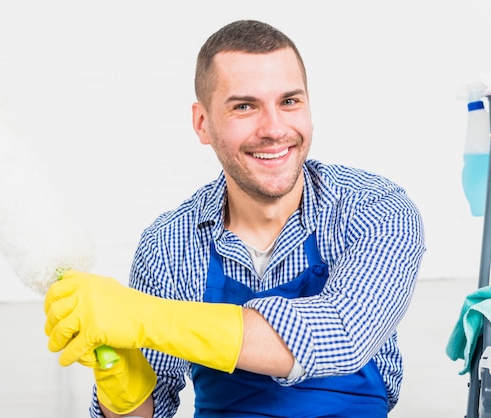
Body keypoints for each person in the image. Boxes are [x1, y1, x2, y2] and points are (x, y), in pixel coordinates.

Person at [44, 19, 426, 417]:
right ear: (202, 123)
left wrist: (142, 316)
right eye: (244, 106)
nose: (275, 129)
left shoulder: (374, 209)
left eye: (289, 102)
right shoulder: (169, 245)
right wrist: (120, 376)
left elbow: (341, 336)